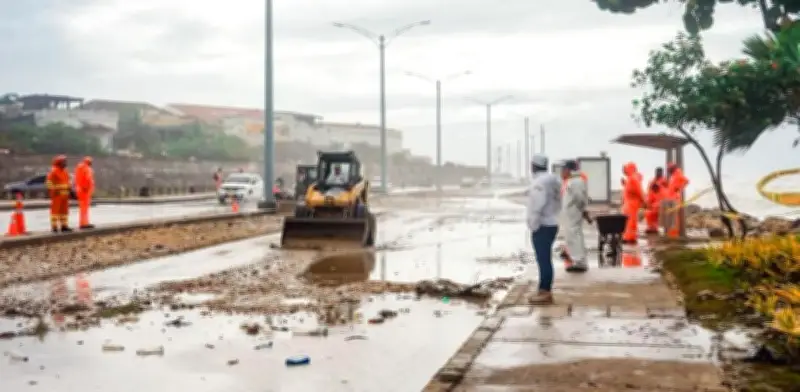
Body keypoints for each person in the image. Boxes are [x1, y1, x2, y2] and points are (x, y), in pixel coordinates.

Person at [526, 154, 562, 305]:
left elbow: (537, 206)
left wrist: (533, 225)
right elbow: (559, 201)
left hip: (543, 225)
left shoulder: (539, 183)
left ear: (533, 166)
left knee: (543, 260)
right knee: (546, 258)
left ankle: (545, 291)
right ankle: (544, 289)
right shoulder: (554, 180)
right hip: (552, 222)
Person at [561, 160, 590, 273]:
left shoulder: (576, 181)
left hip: (574, 213)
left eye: (563, 170)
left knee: (575, 235)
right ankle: (576, 259)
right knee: (572, 236)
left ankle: (580, 261)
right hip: (571, 214)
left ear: (568, 170)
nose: (561, 173)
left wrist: (581, 209)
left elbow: (579, 198)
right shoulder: (572, 181)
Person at [46, 155, 72, 233]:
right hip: (57, 195)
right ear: (59, 163)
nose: (65, 163)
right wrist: (54, 191)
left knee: (64, 212)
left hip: (65, 195)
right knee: (55, 211)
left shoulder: (65, 172)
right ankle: (54, 227)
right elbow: (49, 183)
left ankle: (64, 226)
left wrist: (69, 188)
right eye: (64, 162)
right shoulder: (53, 171)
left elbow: (68, 182)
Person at [621, 162, 644, 245]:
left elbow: (639, 191)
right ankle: (629, 237)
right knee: (630, 221)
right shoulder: (631, 178)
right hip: (630, 204)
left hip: (631, 204)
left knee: (631, 221)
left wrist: (644, 201)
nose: (624, 171)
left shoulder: (633, 179)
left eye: (626, 169)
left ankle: (629, 237)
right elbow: (636, 191)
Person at [665, 163, 689, 238]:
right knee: (671, 217)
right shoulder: (673, 176)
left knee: (674, 218)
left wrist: (678, 188)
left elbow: (686, 181)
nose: (668, 170)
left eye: (669, 168)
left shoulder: (678, 173)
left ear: (673, 168)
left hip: (675, 199)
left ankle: (674, 235)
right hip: (670, 198)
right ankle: (671, 234)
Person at [73, 156, 95, 229]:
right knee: (84, 208)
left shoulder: (82, 168)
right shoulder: (84, 168)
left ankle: (85, 223)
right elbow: (85, 179)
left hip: (84, 190)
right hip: (84, 191)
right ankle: (83, 224)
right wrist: (85, 187)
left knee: (84, 208)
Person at [644, 167, 667, 234]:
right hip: (653, 202)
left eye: (660, 172)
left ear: (662, 173)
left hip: (662, 203)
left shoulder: (665, 181)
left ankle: (654, 227)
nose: (658, 173)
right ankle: (651, 227)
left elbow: (667, 193)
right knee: (648, 212)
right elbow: (649, 193)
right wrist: (647, 203)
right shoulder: (652, 181)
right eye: (657, 172)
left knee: (654, 209)